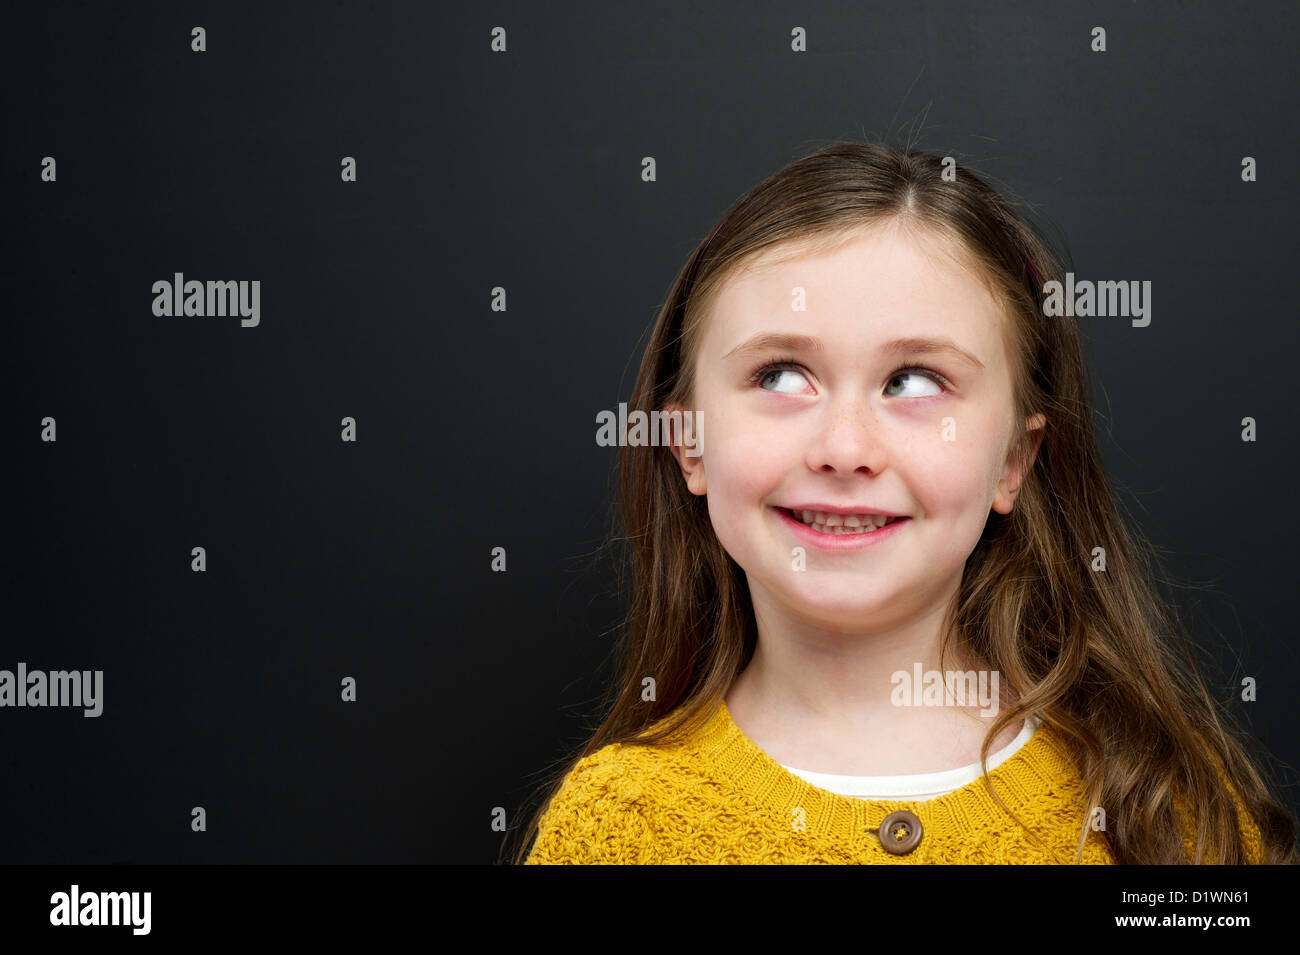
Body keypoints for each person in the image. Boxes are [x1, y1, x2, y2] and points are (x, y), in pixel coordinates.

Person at [511, 141, 1297, 864]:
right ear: (687, 442)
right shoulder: (614, 831)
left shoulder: (1170, 816)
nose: (845, 447)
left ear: (1013, 461)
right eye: (781, 374)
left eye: (914, 381)